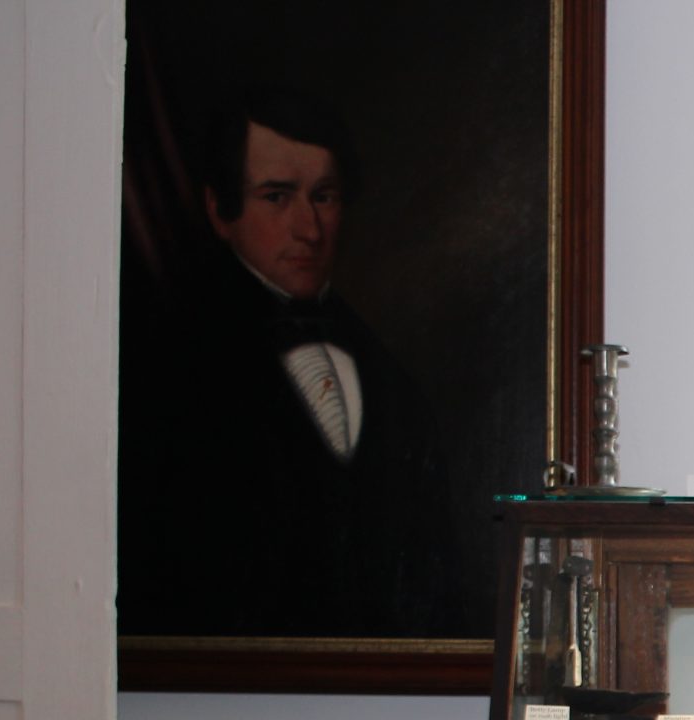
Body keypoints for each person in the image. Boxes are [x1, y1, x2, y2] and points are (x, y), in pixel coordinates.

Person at [120, 88, 456, 639]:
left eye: (323, 196)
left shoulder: (393, 381)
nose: (309, 228)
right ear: (218, 210)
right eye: (277, 197)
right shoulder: (172, 369)